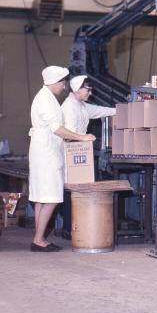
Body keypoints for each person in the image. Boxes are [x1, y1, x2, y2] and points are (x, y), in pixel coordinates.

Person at [28, 65, 95, 252]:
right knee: (51, 197)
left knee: (41, 197)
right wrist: (82, 137)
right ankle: (38, 239)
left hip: (44, 150)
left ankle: (39, 237)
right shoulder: (46, 100)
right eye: (63, 83)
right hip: (47, 152)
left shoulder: (46, 97)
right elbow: (57, 129)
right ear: (54, 82)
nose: (64, 86)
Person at [60, 75, 117, 238]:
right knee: (71, 191)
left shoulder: (81, 106)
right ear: (77, 89)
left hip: (79, 152)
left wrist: (125, 109)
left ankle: (74, 227)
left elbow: (101, 111)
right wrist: (84, 138)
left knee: (77, 191)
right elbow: (69, 133)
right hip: (70, 152)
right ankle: (69, 228)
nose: (90, 93)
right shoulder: (69, 107)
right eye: (88, 89)